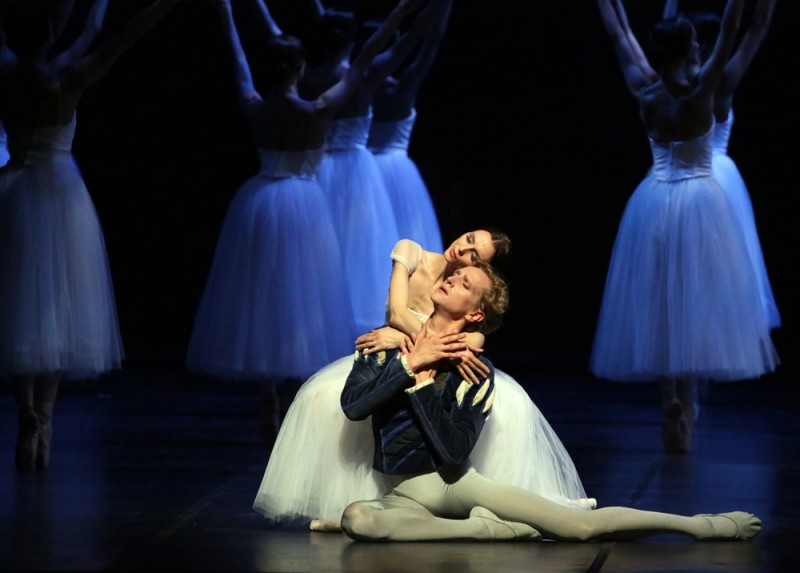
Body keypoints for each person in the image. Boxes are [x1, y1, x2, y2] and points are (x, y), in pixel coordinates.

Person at [339, 262, 761, 542]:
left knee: (577, 527)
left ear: (475, 315)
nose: (450, 279)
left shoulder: (475, 374)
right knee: (357, 520)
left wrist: (426, 387)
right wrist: (411, 363)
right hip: (402, 493)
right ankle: (483, 531)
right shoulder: (385, 345)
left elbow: (453, 453)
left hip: (453, 485)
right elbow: (354, 406)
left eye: (465, 283)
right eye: (454, 275)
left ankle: (703, 526)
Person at [185, 0, 423, 438]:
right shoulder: (317, 110)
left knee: (267, 295)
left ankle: (269, 390)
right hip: (307, 207)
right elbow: (363, 61)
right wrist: (397, 15)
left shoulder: (254, 104)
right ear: (298, 69)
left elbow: (238, 61)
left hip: (259, 200)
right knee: (306, 298)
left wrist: (224, 13)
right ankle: (298, 395)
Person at [253, 229, 593, 531]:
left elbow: (475, 341)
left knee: (502, 406)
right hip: (400, 350)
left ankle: (488, 505)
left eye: (476, 257)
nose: (464, 252)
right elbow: (396, 315)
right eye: (469, 240)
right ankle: (354, 504)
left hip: (423, 355)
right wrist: (415, 345)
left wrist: (438, 350)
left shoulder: (465, 289)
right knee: (329, 401)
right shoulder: (411, 252)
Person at [589, 0, 779, 454]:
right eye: (695, 42)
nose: (701, 46)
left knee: (660, 305)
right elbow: (734, 28)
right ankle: (688, 410)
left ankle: (669, 399)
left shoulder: (645, 89)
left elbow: (621, 35)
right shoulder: (703, 90)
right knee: (692, 304)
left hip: (655, 197)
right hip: (699, 198)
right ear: (689, 51)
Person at [0, 0, 181, 472]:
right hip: (60, 195)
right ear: (49, 32)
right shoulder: (69, 75)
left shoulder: (6, 73)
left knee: (17, 305)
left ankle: (25, 410)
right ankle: (45, 418)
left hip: (14, 188)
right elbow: (120, 36)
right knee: (56, 309)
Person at [301, 0, 451, 335]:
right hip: (359, 172)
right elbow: (421, 40)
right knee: (363, 259)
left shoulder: (312, 77)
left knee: (324, 260)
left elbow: (295, 32)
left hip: (319, 171)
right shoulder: (367, 76)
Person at [662, 0, 781, 331]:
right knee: (715, 280)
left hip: (677, 178)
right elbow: (757, 28)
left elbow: (665, 36)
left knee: (682, 280)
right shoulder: (720, 79)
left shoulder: (675, 86)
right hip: (715, 184)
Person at [365, 0, 453, 253]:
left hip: (364, 171)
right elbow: (431, 43)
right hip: (393, 171)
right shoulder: (402, 87)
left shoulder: (359, 84)